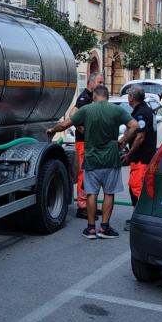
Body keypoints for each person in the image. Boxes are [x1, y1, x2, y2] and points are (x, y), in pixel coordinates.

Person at [47, 84, 138, 239]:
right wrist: (123, 140)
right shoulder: (116, 110)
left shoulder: (87, 109)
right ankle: (104, 228)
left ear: (95, 96)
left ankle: (90, 229)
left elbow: (65, 124)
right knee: (109, 193)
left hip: (92, 159)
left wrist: (52, 130)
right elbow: (134, 125)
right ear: (107, 96)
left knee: (91, 194)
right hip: (111, 159)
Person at [120, 86, 157, 230]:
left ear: (132, 98)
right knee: (137, 188)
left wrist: (130, 153)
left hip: (142, 157)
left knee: (137, 188)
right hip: (146, 156)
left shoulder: (141, 113)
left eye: (129, 95)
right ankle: (139, 217)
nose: (128, 98)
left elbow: (140, 136)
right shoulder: (146, 110)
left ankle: (140, 221)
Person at [70, 72, 104, 218]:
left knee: (92, 174)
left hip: (91, 142)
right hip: (83, 142)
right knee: (84, 175)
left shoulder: (93, 98)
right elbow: (73, 115)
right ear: (91, 82)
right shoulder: (84, 98)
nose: (102, 85)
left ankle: (91, 205)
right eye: (100, 82)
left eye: (103, 82)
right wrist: (81, 128)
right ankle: (82, 207)